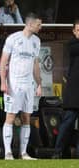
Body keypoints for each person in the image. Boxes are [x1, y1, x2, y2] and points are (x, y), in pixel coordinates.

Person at [0, 12, 42, 160]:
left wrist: (39, 84)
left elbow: (36, 64)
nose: (40, 27)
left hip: (29, 86)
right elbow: (3, 62)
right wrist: (3, 82)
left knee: (26, 117)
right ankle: (8, 153)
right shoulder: (13, 38)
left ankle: (23, 153)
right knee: (10, 117)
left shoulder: (37, 41)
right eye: (39, 24)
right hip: (14, 85)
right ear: (30, 24)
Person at [52, 19, 79, 159]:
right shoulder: (72, 44)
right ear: (74, 31)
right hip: (74, 92)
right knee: (67, 123)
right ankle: (57, 151)